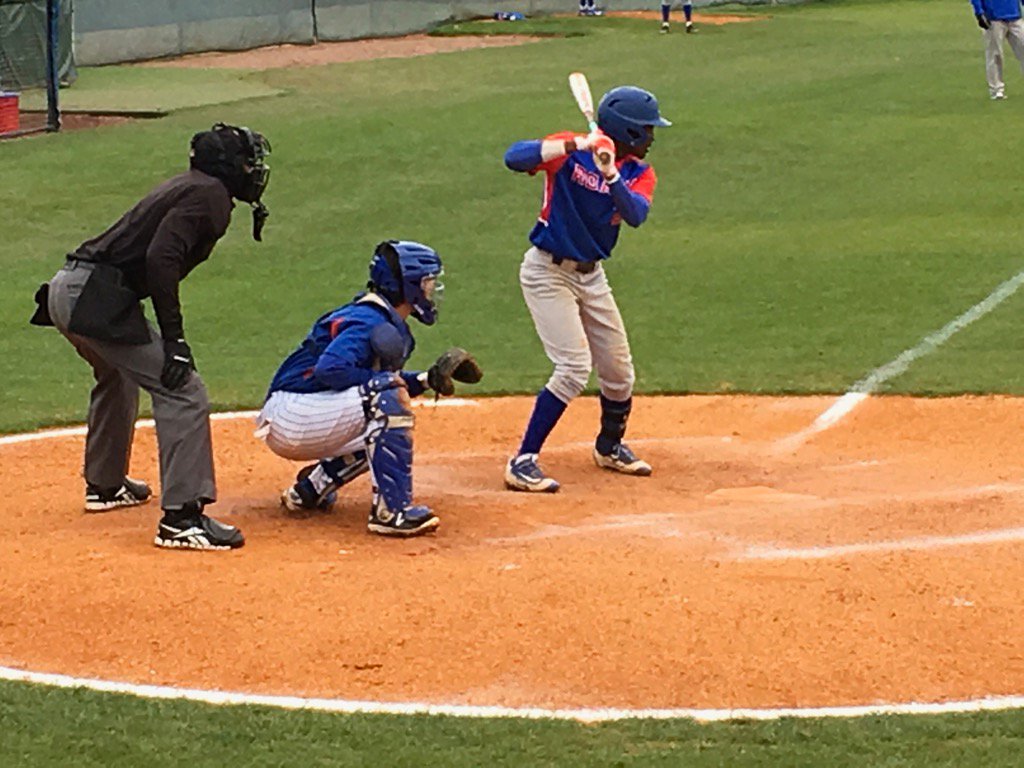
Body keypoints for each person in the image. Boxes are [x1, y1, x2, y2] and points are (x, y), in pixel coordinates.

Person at [31, 122, 271, 550]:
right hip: (91, 298)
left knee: (118, 374)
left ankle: (104, 486)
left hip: (67, 290)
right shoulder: (210, 196)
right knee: (183, 390)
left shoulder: (192, 186)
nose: (253, 170)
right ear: (228, 166)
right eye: (247, 162)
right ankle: (182, 518)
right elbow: (162, 259)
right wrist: (175, 342)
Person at [501, 85, 670, 493]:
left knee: (618, 371)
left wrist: (610, 173)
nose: (652, 137)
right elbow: (513, 157)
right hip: (547, 272)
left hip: (592, 276)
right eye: (647, 130)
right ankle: (522, 461)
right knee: (574, 367)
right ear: (629, 131)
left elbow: (635, 215)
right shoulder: (570, 151)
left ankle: (609, 447)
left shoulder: (638, 172)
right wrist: (577, 143)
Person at [256, 240, 479, 537]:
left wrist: (427, 379)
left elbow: (366, 380)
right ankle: (391, 512)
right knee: (385, 400)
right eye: (427, 282)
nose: (432, 290)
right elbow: (331, 369)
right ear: (408, 285)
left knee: (381, 421)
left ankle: (310, 490)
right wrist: (392, 384)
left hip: (301, 412)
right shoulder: (368, 321)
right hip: (295, 414)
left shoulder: (379, 317)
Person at [971, 0, 1024, 99]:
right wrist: (979, 12)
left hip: (1014, 16)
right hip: (993, 18)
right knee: (995, 54)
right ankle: (996, 89)